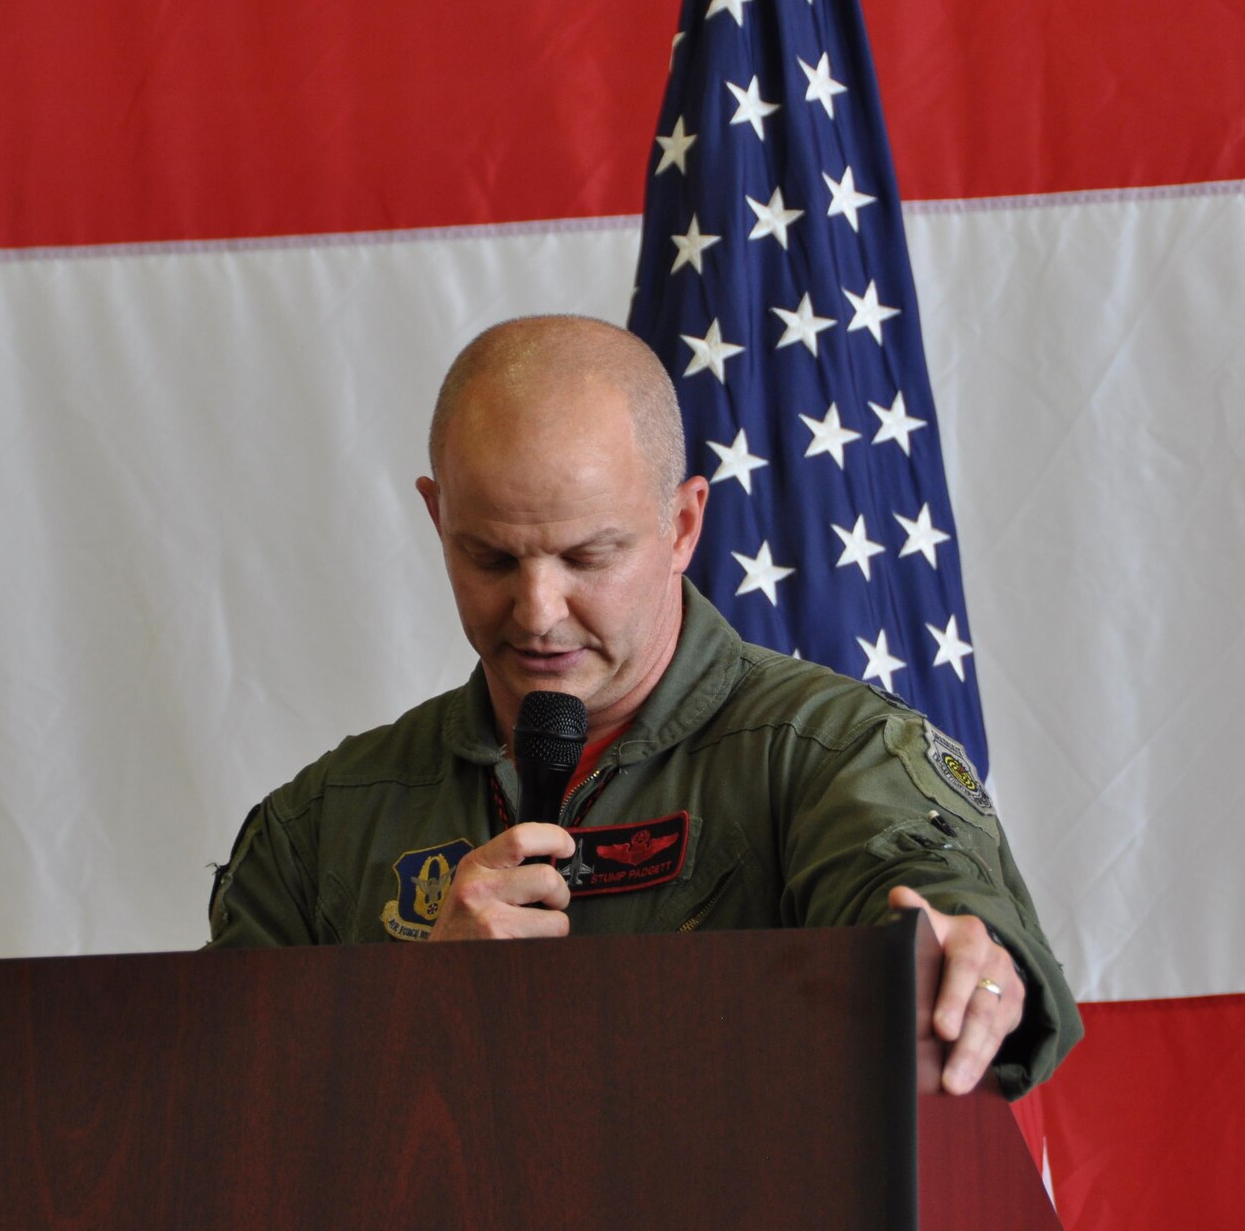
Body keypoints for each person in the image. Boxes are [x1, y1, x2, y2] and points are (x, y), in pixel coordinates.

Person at [207, 315, 1081, 1098]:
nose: (538, 611)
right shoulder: (324, 824)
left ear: (683, 526)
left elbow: (943, 912)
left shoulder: (832, 758)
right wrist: (415, 1011)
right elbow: (210, 1111)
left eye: (589, 557)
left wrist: (967, 966)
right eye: (491, 558)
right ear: (438, 520)